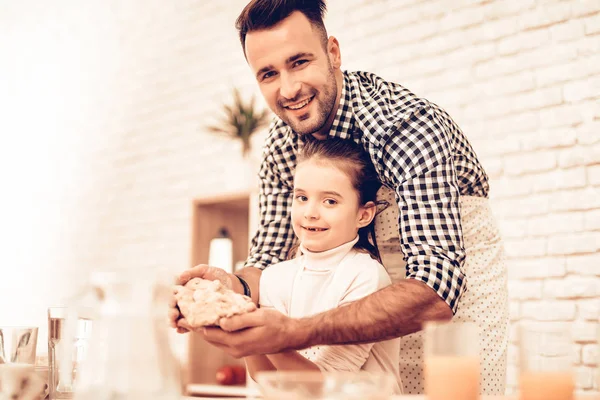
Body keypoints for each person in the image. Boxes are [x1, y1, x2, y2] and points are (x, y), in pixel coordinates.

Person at [170, 0, 508, 395]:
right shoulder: (282, 144)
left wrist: (293, 332)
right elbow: (268, 258)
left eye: (299, 62)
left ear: (333, 53)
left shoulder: (405, 127)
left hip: (451, 303)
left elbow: (435, 292)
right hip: (356, 306)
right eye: (268, 74)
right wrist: (232, 290)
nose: (289, 88)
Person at [242, 137, 401, 394]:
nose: (310, 213)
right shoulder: (273, 277)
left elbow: (324, 388)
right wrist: (244, 323)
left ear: (364, 214)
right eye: (302, 197)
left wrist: (265, 337)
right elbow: (263, 374)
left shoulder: (366, 275)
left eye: (330, 201)